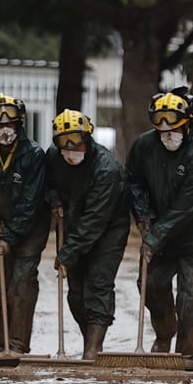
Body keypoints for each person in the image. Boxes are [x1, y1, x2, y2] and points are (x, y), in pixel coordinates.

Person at [124, 86, 193, 358]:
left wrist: (153, 239)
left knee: (192, 294)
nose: (167, 132)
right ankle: (165, 331)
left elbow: (185, 208)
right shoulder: (144, 146)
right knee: (150, 284)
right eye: (161, 125)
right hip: (158, 229)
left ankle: (187, 352)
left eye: (174, 126)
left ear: (187, 123)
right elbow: (133, 181)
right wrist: (143, 215)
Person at [0, 94, 50, 353]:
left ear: (20, 125)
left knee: (21, 284)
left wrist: (10, 236)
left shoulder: (34, 154)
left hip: (29, 231)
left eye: (11, 124)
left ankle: (17, 345)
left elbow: (31, 202)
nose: (5, 130)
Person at [45, 110, 130, 361]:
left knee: (98, 285)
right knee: (76, 292)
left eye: (76, 140)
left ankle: (93, 349)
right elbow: (48, 182)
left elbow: (95, 220)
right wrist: (54, 199)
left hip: (108, 229)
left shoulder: (107, 169)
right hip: (75, 224)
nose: (71, 148)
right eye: (64, 142)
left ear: (88, 138)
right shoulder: (54, 157)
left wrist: (68, 253)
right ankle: (89, 341)